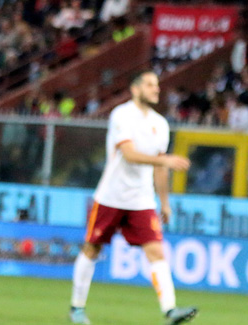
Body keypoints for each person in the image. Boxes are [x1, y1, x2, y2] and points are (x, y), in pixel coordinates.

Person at [69, 71, 198, 325]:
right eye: (150, 85)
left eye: (157, 85)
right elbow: (129, 154)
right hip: (111, 196)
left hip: (141, 200)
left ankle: (170, 310)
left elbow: (159, 169)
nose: (156, 90)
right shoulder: (122, 115)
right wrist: (164, 160)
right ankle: (77, 308)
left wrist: (164, 202)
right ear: (135, 89)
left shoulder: (160, 123)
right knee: (91, 248)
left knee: (156, 251)